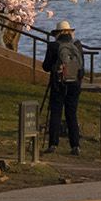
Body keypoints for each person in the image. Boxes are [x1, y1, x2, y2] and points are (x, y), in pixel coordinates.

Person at [42, 22, 84, 155]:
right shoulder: (77, 45)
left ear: (57, 33)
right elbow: (81, 70)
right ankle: (75, 145)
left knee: (56, 113)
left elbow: (46, 66)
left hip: (58, 84)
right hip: (75, 85)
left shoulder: (54, 46)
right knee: (72, 114)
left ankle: (53, 144)